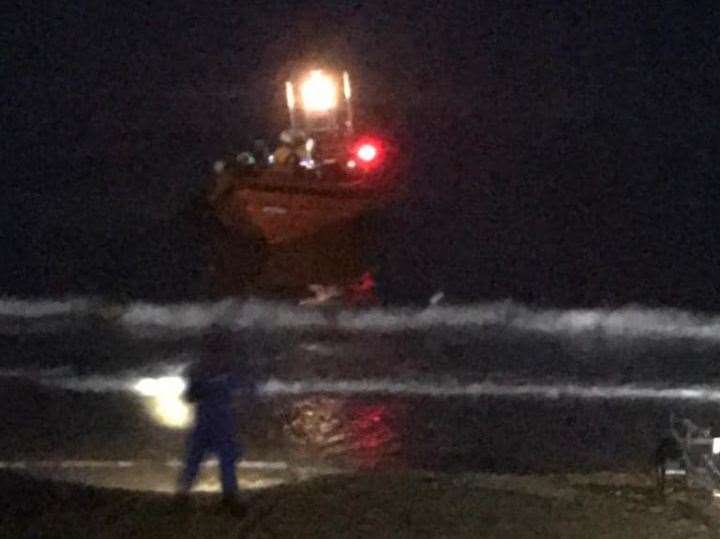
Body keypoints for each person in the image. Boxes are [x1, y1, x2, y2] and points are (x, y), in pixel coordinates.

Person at [177, 327, 245, 513]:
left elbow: (189, 397)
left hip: (206, 420)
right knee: (226, 459)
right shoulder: (230, 369)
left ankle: (183, 494)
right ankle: (228, 496)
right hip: (221, 420)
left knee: (195, 458)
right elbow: (242, 393)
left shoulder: (197, 369)